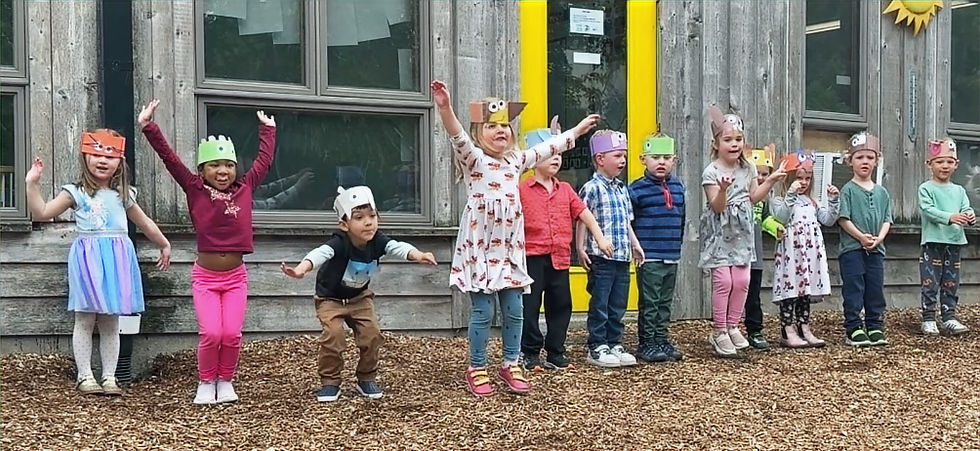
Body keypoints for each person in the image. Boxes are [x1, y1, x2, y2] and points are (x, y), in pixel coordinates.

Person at [430, 79, 599, 397]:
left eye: (505, 125)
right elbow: (456, 135)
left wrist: (576, 131)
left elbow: (549, 147)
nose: (501, 131)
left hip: (509, 251)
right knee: (482, 311)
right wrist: (444, 106)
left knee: (515, 309)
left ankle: (511, 363)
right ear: (480, 133)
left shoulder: (515, 162)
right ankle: (477, 367)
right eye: (492, 126)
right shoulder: (475, 161)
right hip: (480, 250)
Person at [138, 99, 276, 403]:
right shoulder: (194, 188)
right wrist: (149, 127)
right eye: (214, 165)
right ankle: (205, 381)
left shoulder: (246, 187)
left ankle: (225, 380)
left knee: (231, 335)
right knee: (212, 333)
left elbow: (263, 162)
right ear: (202, 170)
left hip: (235, 277)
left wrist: (268, 130)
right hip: (206, 278)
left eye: (228, 165)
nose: (223, 171)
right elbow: (170, 159)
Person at [25, 130, 171, 395]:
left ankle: (110, 377)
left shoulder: (124, 195)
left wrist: (163, 243)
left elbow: (146, 222)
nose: (102, 161)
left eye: (110, 155)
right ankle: (85, 376)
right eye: (95, 154)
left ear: (119, 161)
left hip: (116, 262)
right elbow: (43, 212)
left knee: (111, 321)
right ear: (85, 157)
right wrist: (32, 184)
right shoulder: (75, 193)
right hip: (88, 262)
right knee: (85, 318)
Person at [281, 186, 436, 402]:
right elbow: (319, 253)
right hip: (330, 298)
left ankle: (366, 377)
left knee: (372, 335)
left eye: (372, 216)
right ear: (344, 224)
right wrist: (301, 269)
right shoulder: (339, 242)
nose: (368, 222)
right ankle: (330, 382)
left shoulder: (378, 241)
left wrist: (418, 254)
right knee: (333, 336)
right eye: (359, 217)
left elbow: (397, 247)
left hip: (360, 298)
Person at [519, 118, 613, 371]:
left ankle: (555, 351)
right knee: (529, 306)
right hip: (531, 257)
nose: (556, 158)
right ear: (534, 159)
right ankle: (529, 352)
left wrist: (600, 237)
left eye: (559, 153)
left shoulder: (566, 189)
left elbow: (583, 212)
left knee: (561, 304)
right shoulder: (522, 189)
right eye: (550, 153)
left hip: (559, 257)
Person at [699, 106, 786, 358]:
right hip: (720, 231)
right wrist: (724, 189)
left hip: (742, 230)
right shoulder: (711, 172)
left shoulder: (748, 168)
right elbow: (717, 206)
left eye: (738, 139)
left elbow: (754, 197)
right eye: (727, 140)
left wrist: (770, 181)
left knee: (742, 280)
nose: (734, 144)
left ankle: (733, 325)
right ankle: (719, 330)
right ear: (716, 144)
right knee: (724, 281)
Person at [576, 129, 645, 368]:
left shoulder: (622, 189)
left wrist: (635, 245)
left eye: (624, 155)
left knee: (618, 302)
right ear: (600, 159)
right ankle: (597, 345)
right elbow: (582, 217)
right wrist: (580, 248)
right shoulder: (591, 188)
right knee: (601, 302)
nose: (622, 160)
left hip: (622, 255)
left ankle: (615, 342)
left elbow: (626, 222)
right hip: (600, 256)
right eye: (617, 155)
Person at [769, 152, 839, 348]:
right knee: (791, 288)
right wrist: (790, 194)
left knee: (805, 290)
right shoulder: (779, 200)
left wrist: (833, 200)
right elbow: (782, 217)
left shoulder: (812, 202)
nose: (803, 182)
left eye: (807, 178)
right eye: (799, 178)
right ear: (790, 178)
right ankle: (787, 329)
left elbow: (828, 220)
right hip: (792, 252)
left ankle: (804, 327)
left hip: (809, 254)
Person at [629, 133, 686, 363]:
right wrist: (635, 248)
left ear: (674, 159)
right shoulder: (637, 190)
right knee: (650, 302)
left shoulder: (678, 186)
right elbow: (629, 221)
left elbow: (681, 217)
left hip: (671, 254)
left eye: (666, 157)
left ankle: (661, 338)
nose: (661, 162)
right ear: (643, 159)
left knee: (664, 301)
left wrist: (678, 245)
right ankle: (647, 342)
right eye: (655, 157)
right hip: (649, 256)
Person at [837, 132, 892, 347]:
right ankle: (854, 327)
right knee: (854, 287)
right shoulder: (848, 190)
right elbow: (843, 219)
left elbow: (887, 219)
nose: (865, 162)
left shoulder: (882, 193)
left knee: (874, 288)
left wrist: (879, 238)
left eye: (870, 158)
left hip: (876, 249)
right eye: (860, 157)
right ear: (850, 161)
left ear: (876, 161)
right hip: (852, 248)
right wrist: (860, 237)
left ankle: (875, 325)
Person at [917, 138, 973, 336]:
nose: (945, 166)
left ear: (956, 165)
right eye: (940, 161)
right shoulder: (926, 188)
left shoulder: (959, 190)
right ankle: (929, 318)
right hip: (933, 242)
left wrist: (969, 215)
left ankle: (949, 317)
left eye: (950, 162)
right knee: (930, 282)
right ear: (929, 164)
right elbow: (928, 210)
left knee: (951, 282)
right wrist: (950, 217)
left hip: (955, 242)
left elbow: (965, 208)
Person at [745, 145, 784, 350]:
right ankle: (725, 328)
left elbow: (765, 218)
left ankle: (755, 330)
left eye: (765, 174)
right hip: (737, 255)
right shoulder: (741, 195)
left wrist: (775, 227)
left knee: (753, 294)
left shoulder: (764, 200)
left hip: (756, 255)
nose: (760, 178)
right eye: (756, 173)